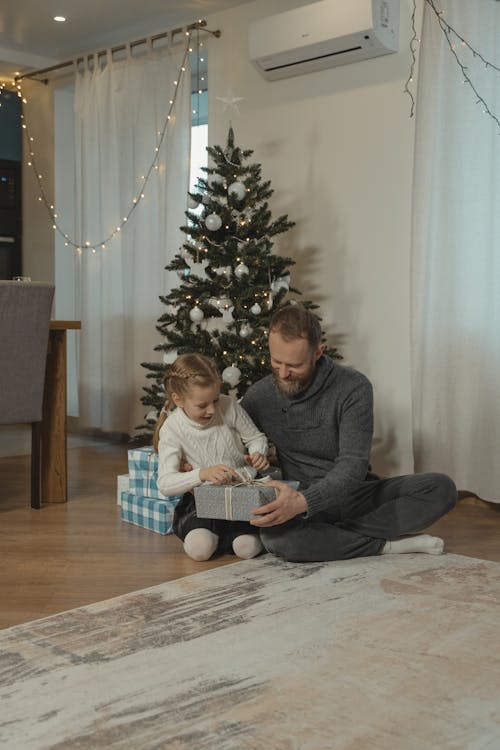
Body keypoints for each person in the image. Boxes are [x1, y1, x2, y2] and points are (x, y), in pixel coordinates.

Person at [241, 304, 457, 562]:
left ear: (318, 353)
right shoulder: (258, 397)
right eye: (276, 362)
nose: (284, 373)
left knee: (441, 488)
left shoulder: (353, 387)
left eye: (294, 365)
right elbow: (232, 440)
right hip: (299, 501)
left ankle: (333, 538)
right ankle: (383, 545)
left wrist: (302, 502)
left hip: (354, 496)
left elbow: (353, 466)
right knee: (278, 540)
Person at [155, 353, 269, 562]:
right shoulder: (172, 428)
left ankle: (231, 536)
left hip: (241, 495)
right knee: (200, 550)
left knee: (247, 548)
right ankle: (219, 536)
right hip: (202, 501)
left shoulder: (228, 405)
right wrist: (202, 473)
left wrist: (257, 453)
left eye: (215, 400)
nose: (212, 409)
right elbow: (165, 483)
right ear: (178, 400)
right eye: (202, 405)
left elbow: (256, 438)